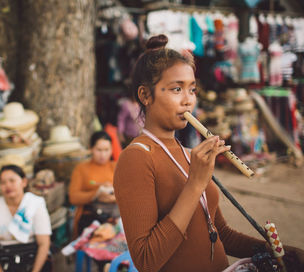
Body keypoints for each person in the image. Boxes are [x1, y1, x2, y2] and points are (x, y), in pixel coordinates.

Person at [113, 34, 304, 272]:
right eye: (176, 89)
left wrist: (281, 252)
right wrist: (195, 184)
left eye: (192, 90)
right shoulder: (136, 158)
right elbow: (146, 260)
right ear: (145, 95)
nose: (188, 101)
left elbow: (220, 233)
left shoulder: (187, 153)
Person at [0, 165, 52, 272]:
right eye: (3, 182)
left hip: (32, 258)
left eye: (12, 180)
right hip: (4, 259)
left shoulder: (35, 204)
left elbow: (44, 243)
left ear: (24, 182)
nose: (8, 186)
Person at [69, 131, 117, 239]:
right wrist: (96, 193)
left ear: (111, 150)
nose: (103, 154)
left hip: (115, 214)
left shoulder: (116, 167)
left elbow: (129, 193)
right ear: (91, 149)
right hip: (90, 216)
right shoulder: (81, 169)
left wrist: (114, 197)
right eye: (99, 150)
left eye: (106, 150)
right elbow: (73, 197)